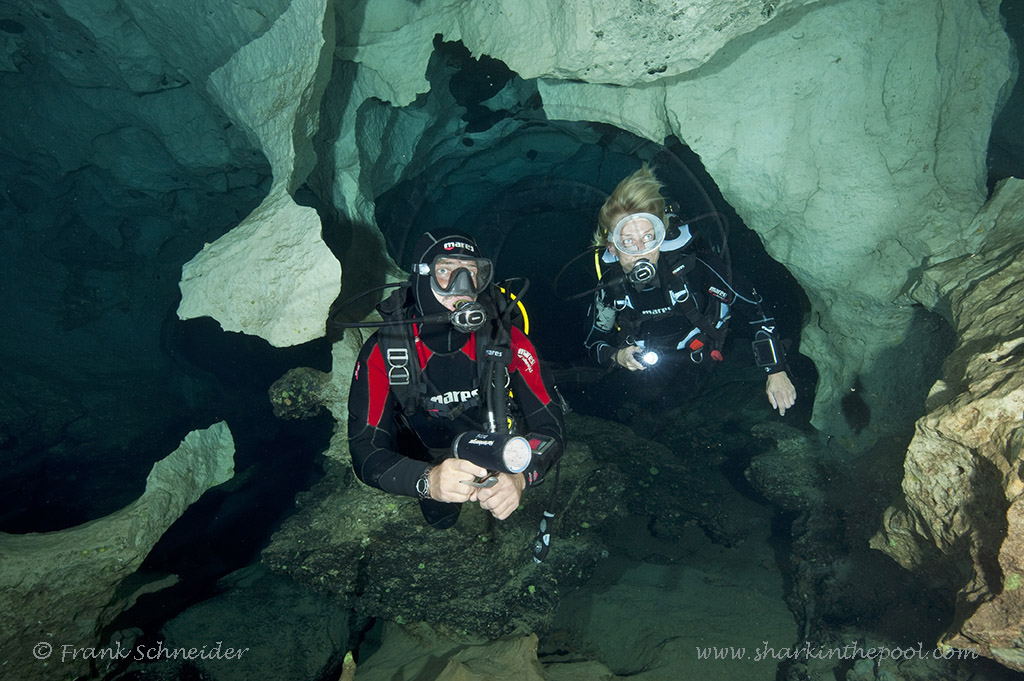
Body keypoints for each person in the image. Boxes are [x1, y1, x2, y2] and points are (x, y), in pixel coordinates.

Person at [348, 230, 566, 529]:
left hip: (493, 449)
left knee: (506, 518)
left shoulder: (506, 340)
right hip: (424, 456)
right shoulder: (383, 350)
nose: (461, 287)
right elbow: (364, 448)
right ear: (422, 277)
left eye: (472, 273)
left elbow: (550, 427)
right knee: (441, 521)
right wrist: (427, 481)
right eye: (445, 271)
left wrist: (520, 476)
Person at [583, 165, 798, 415]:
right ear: (612, 247)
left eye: (648, 237)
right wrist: (618, 356)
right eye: (627, 241)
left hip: (705, 350)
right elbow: (593, 342)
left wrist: (776, 371)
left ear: (661, 236)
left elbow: (756, 310)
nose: (641, 249)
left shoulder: (695, 267)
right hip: (645, 364)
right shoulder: (610, 287)